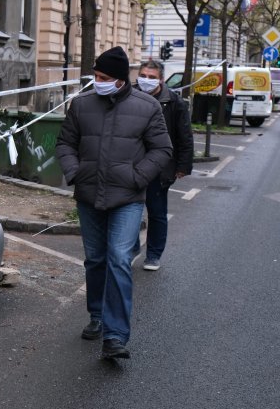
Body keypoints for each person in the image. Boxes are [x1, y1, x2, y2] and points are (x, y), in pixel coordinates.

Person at [56, 46, 172, 359]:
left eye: (103, 77)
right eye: (95, 76)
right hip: (89, 195)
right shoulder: (81, 106)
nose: (97, 81)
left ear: (120, 80)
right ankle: (97, 315)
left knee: (120, 257)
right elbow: (65, 143)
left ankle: (116, 335)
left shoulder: (147, 107)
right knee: (95, 259)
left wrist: (137, 177)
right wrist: (74, 172)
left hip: (127, 198)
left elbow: (162, 150)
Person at [132, 60, 194, 271]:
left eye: (151, 77)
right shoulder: (128, 96)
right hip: (131, 164)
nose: (146, 81)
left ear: (160, 79)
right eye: (143, 76)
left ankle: (154, 255)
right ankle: (130, 250)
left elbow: (184, 135)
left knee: (157, 213)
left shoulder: (174, 102)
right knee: (129, 211)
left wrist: (183, 165)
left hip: (160, 167)